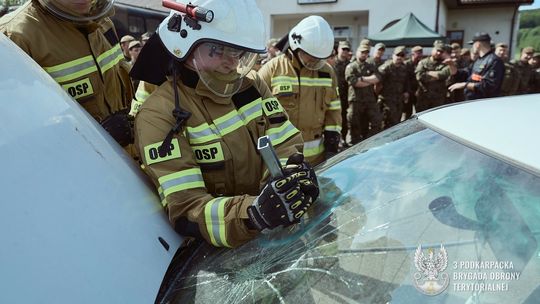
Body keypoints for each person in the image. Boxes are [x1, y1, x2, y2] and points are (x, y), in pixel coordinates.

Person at [131, 0, 319, 248]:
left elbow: (283, 141)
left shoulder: (250, 86)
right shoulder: (158, 115)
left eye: (238, 52)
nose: (232, 62)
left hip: (273, 237)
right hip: (212, 260)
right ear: (184, 46)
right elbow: (187, 208)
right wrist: (252, 214)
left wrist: (291, 175)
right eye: (219, 50)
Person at [0, 0, 134, 147]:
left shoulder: (102, 22)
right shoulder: (14, 36)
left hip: (125, 161)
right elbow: (16, 137)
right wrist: (90, 137)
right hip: (79, 165)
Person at [258, 16, 341, 165]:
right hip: (281, 159)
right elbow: (254, 113)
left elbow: (334, 109)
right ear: (297, 47)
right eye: (312, 57)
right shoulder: (272, 69)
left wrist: (332, 145)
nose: (316, 62)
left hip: (318, 160)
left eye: (319, 58)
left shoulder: (327, 72)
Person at [345, 43, 382, 144]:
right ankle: (354, 143)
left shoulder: (371, 66)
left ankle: (369, 141)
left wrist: (362, 78)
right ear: (357, 53)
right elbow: (354, 82)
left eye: (366, 53)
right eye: (362, 52)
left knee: (376, 120)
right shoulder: (351, 67)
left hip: (369, 99)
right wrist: (370, 80)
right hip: (355, 100)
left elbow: (378, 78)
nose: (364, 55)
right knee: (354, 124)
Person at [449, 32, 504, 100]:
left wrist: (465, 85)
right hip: (473, 100)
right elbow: (467, 73)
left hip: (485, 102)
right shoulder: (478, 60)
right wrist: (452, 66)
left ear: (478, 44)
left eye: (473, 44)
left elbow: (489, 86)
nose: (472, 47)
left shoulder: (495, 61)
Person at [415, 40, 456, 112]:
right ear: (433, 49)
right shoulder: (423, 62)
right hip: (424, 97)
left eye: (441, 52)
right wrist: (437, 76)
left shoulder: (445, 63)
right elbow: (419, 76)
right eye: (438, 50)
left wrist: (428, 73)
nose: (439, 53)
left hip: (438, 98)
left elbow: (444, 74)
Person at [377, 46, 409, 128]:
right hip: (387, 101)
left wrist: (406, 92)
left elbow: (405, 82)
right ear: (393, 55)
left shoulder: (403, 68)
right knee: (387, 123)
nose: (399, 57)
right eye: (398, 55)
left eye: (402, 55)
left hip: (398, 100)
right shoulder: (386, 67)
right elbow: (377, 83)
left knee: (397, 122)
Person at [333, 40, 353, 147]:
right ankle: (335, 140)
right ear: (338, 50)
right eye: (343, 49)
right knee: (333, 119)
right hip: (334, 96)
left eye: (347, 50)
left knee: (344, 119)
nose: (345, 51)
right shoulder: (332, 63)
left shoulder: (350, 65)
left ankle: (344, 138)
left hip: (346, 96)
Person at [403, 45, 422, 119]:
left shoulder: (421, 63)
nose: (420, 55)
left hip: (418, 92)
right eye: (418, 53)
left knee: (419, 112)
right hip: (409, 91)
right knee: (407, 112)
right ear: (413, 54)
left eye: (421, 53)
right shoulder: (406, 64)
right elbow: (405, 79)